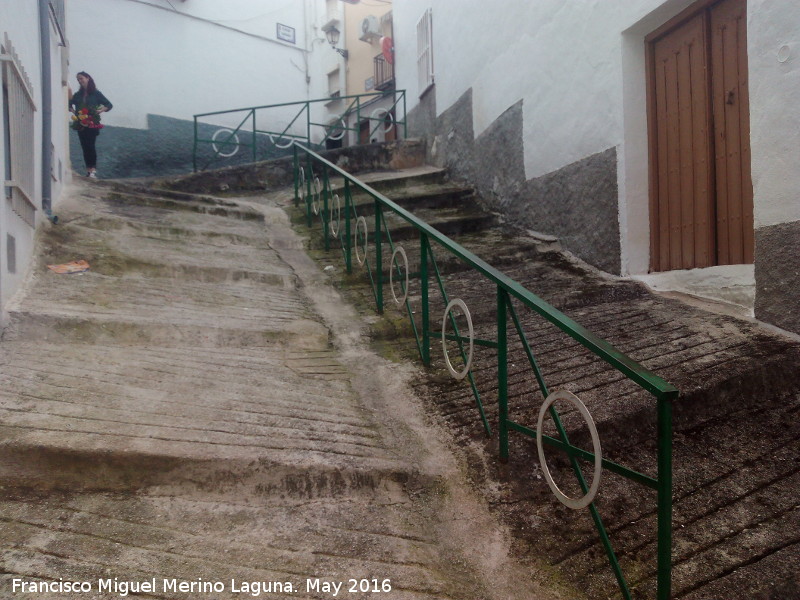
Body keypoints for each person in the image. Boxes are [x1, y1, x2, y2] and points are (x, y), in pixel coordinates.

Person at [69, 72, 112, 178]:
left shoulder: (96, 93)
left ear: (88, 78)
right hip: (80, 123)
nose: (79, 81)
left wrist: (100, 111)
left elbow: (109, 105)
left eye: (81, 78)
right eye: (78, 79)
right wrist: (74, 112)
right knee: (84, 146)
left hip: (92, 123)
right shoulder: (78, 94)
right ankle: (88, 170)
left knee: (90, 146)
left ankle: (93, 170)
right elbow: (69, 104)